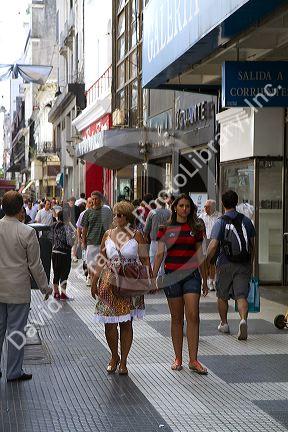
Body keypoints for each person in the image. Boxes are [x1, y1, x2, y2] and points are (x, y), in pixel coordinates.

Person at [91, 201, 152, 375]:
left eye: (121, 215)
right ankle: (114, 355)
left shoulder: (137, 235)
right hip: (109, 282)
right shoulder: (108, 234)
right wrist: (94, 280)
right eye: (116, 214)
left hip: (130, 283)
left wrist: (150, 279)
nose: (117, 218)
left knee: (126, 323)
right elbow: (101, 259)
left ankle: (124, 361)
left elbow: (145, 259)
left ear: (128, 217)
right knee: (109, 325)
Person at [153, 194, 208, 374]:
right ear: (175, 207)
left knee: (193, 315)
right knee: (176, 318)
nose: (185, 209)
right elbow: (160, 254)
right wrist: (153, 278)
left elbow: (201, 255)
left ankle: (194, 359)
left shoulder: (196, 228)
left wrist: (205, 280)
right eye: (181, 206)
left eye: (188, 206)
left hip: (192, 276)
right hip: (172, 276)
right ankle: (178, 357)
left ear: (191, 208)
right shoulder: (165, 228)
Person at [0, 191, 52, 382]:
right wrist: (45, 288)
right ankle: (13, 372)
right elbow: (35, 265)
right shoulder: (27, 232)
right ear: (21, 209)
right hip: (18, 291)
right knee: (15, 332)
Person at [207, 190, 256, 341]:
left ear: (222, 203)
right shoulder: (246, 221)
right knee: (241, 295)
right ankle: (243, 320)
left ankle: (224, 323)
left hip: (224, 263)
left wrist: (206, 261)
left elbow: (214, 245)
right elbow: (252, 246)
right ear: (236, 202)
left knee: (222, 295)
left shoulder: (221, 222)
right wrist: (250, 263)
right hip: (243, 264)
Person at [82, 191, 113, 286]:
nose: (94, 201)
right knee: (91, 265)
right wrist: (84, 241)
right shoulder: (88, 212)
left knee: (103, 264)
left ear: (100, 199)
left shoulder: (107, 210)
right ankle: (92, 280)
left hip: (103, 242)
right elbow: (85, 228)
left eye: (96, 199)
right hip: (91, 241)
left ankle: (100, 283)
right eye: (93, 199)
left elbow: (111, 224)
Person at [51, 210, 76, 300]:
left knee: (56, 273)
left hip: (54, 253)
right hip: (64, 254)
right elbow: (69, 242)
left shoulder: (54, 226)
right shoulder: (68, 227)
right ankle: (63, 294)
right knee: (64, 274)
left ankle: (56, 293)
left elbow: (51, 237)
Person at [144, 194, 171, 271]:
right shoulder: (169, 213)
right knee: (163, 261)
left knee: (153, 261)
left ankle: (153, 278)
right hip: (166, 241)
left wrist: (145, 237)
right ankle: (161, 278)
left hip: (154, 240)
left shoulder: (152, 212)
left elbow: (147, 228)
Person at [200, 200, 222, 291]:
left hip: (215, 241)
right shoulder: (201, 216)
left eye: (207, 207)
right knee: (204, 261)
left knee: (212, 261)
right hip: (204, 241)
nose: (205, 208)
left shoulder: (219, 216)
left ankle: (211, 281)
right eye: (205, 206)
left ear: (213, 207)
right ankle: (204, 279)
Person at [76, 197, 93, 283]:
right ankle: (88, 276)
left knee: (92, 259)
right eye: (89, 202)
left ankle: (91, 276)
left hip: (93, 240)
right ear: (86, 204)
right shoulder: (83, 214)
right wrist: (79, 239)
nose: (91, 204)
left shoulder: (97, 214)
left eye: (92, 202)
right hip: (85, 240)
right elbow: (79, 227)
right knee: (85, 259)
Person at [67, 197, 81, 262]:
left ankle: (73, 255)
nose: (72, 203)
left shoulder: (77, 208)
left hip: (75, 226)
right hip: (68, 227)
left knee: (75, 241)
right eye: (71, 202)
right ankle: (71, 255)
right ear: (69, 201)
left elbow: (79, 218)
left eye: (73, 202)